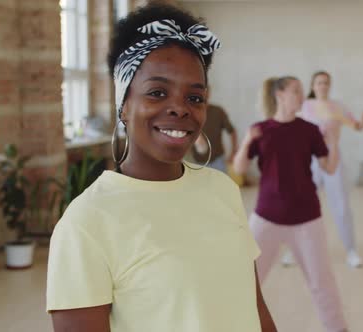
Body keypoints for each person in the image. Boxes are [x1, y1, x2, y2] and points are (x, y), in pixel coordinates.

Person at [46, 4, 276, 332]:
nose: (180, 109)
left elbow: (255, 307)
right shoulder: (86, 223)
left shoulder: (221, 188)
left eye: (194, 98)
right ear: (123, 106)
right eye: (157, 93)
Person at [233, 76, 348, 332]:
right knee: (247, 281)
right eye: (296, 91)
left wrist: (333, 141)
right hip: (266, 218)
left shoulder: (309, 130)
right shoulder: (260, 130)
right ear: (280, 95)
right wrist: (246, 141)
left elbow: (329, 168)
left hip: (307, 218)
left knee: (322, 283)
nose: (301, 96)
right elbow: (239, 168)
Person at [282, 71, 363, 268]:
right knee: (300, 205)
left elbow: (356, 126)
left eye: (326, 82)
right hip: (308, 161)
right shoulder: (303, 107)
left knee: (342, 207)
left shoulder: (338, 107)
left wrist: (362, 122)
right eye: (319, 82)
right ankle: (293, 250)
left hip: (332, 158)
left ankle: (351, 251)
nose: (323, 86)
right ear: (313, 86)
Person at [192, 100, 238, 173]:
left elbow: (231, 131)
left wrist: (234, 152)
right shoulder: (190, 113)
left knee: (221, 183)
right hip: (197, 163)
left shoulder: (217, 111)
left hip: (218, 161)